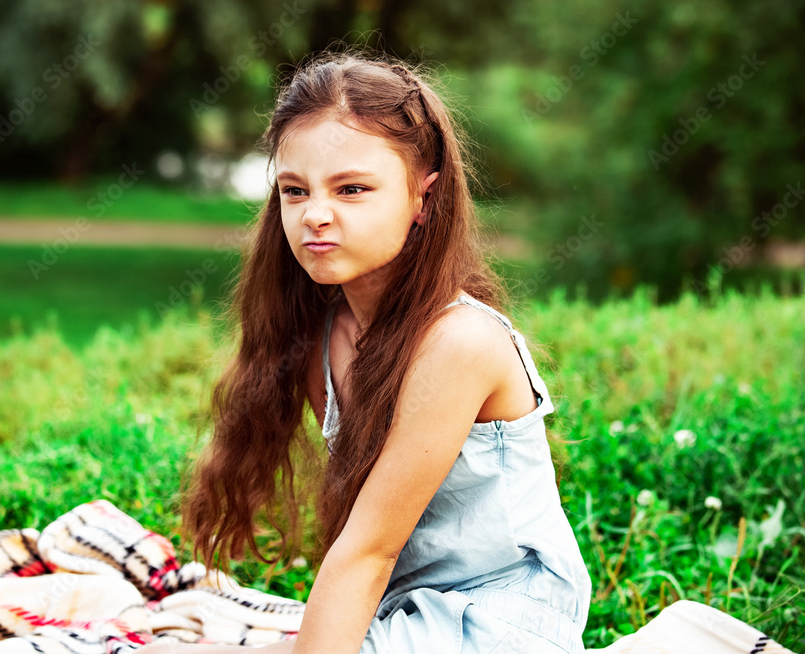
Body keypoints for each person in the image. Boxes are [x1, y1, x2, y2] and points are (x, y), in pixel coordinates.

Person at [148, 51, 592, 653]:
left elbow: (368, 551)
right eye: (294, 191)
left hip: (500, 616)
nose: (316, 216)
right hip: (404, 605)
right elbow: (362, 543)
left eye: (352, 189)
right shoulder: (323, 334)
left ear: (423, 199)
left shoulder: (459, 343)